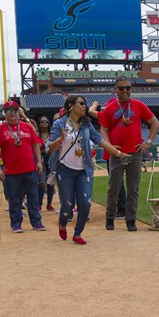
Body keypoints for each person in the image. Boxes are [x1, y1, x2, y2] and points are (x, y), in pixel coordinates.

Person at [49, 95, 123, 245]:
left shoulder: (86, 124)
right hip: (65, 169)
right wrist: (60, 139)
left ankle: (77, 233)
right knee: (67, 205)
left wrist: (119, 154)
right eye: (81, 103)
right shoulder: (59, 124)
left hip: (84, 169)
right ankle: (62, 223)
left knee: (85, 203)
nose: (84, 106)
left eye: (85, 104)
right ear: (71, 105)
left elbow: (99, 140)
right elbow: (49, 148)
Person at [99, 77, 159, 232]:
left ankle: (131, 219)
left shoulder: (139, 105)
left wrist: (148, 142)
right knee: (114, 188)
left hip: (135, 152)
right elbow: (103, 129)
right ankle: (110, 217)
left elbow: (155, 122)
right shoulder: (109, 108)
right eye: (121, 88)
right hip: (117, 154)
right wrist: (109, 145)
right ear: (115, 90)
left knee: (133, 188)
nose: (125, 91)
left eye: (128, 88)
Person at [0, 100, 46, 233]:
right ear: (4, 113)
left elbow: (36, 145)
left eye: (14, 110)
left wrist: (39, 161)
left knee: (33, 197)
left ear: (18, 112)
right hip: (12, 171)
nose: (12, 113)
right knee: (15, 198)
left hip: (30, 168)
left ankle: (36, 222)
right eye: (9, 111)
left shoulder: (26, 126)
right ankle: (16, 223)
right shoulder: (0, 129)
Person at [36, 115, 56, 211]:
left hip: (51, 157)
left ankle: (49, 204)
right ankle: (39, 204)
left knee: (51, 182)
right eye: (42, 121)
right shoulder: (37, 134)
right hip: (41, 158)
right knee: (42, 182)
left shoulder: (52, 134)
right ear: (39, 124)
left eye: (46, 121)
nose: (44, 123)